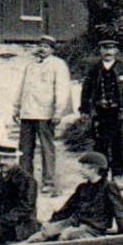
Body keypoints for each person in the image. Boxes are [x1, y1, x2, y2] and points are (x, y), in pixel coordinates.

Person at [14, 34, 74, 194]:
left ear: (52, 50)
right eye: (40, 45)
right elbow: (22, 87)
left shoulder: (58, 65)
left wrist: (58, 111)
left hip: (46, 113)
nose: (42, 49)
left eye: (46, 47)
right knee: (25, 149)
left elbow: (62, 89)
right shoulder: (30, 66)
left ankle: (49, 182)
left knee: (47, 148)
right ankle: (25, 181)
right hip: (27, 112)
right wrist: (16, 107)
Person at [25, 152, 123, 242]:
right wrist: (51, 222)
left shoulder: (109, 187)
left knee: (66, 236)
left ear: (94, 169)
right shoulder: (82, 188)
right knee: (45, 233)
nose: (81, 170)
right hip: (74, 222)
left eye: (83, 167)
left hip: (93, 228)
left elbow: (120, 210)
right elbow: (67, 208)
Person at [80, 39, 123, 178]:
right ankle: (101, 175)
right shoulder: (95, 69)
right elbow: (86, 90)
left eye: (111, 48)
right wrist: (84, 109)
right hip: (100, 113)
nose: (108, 51)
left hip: (119, 113)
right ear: (100, 50)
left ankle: (117, 176)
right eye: (105, 48)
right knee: (100, 144)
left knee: (118, 145)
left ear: (116, 51)